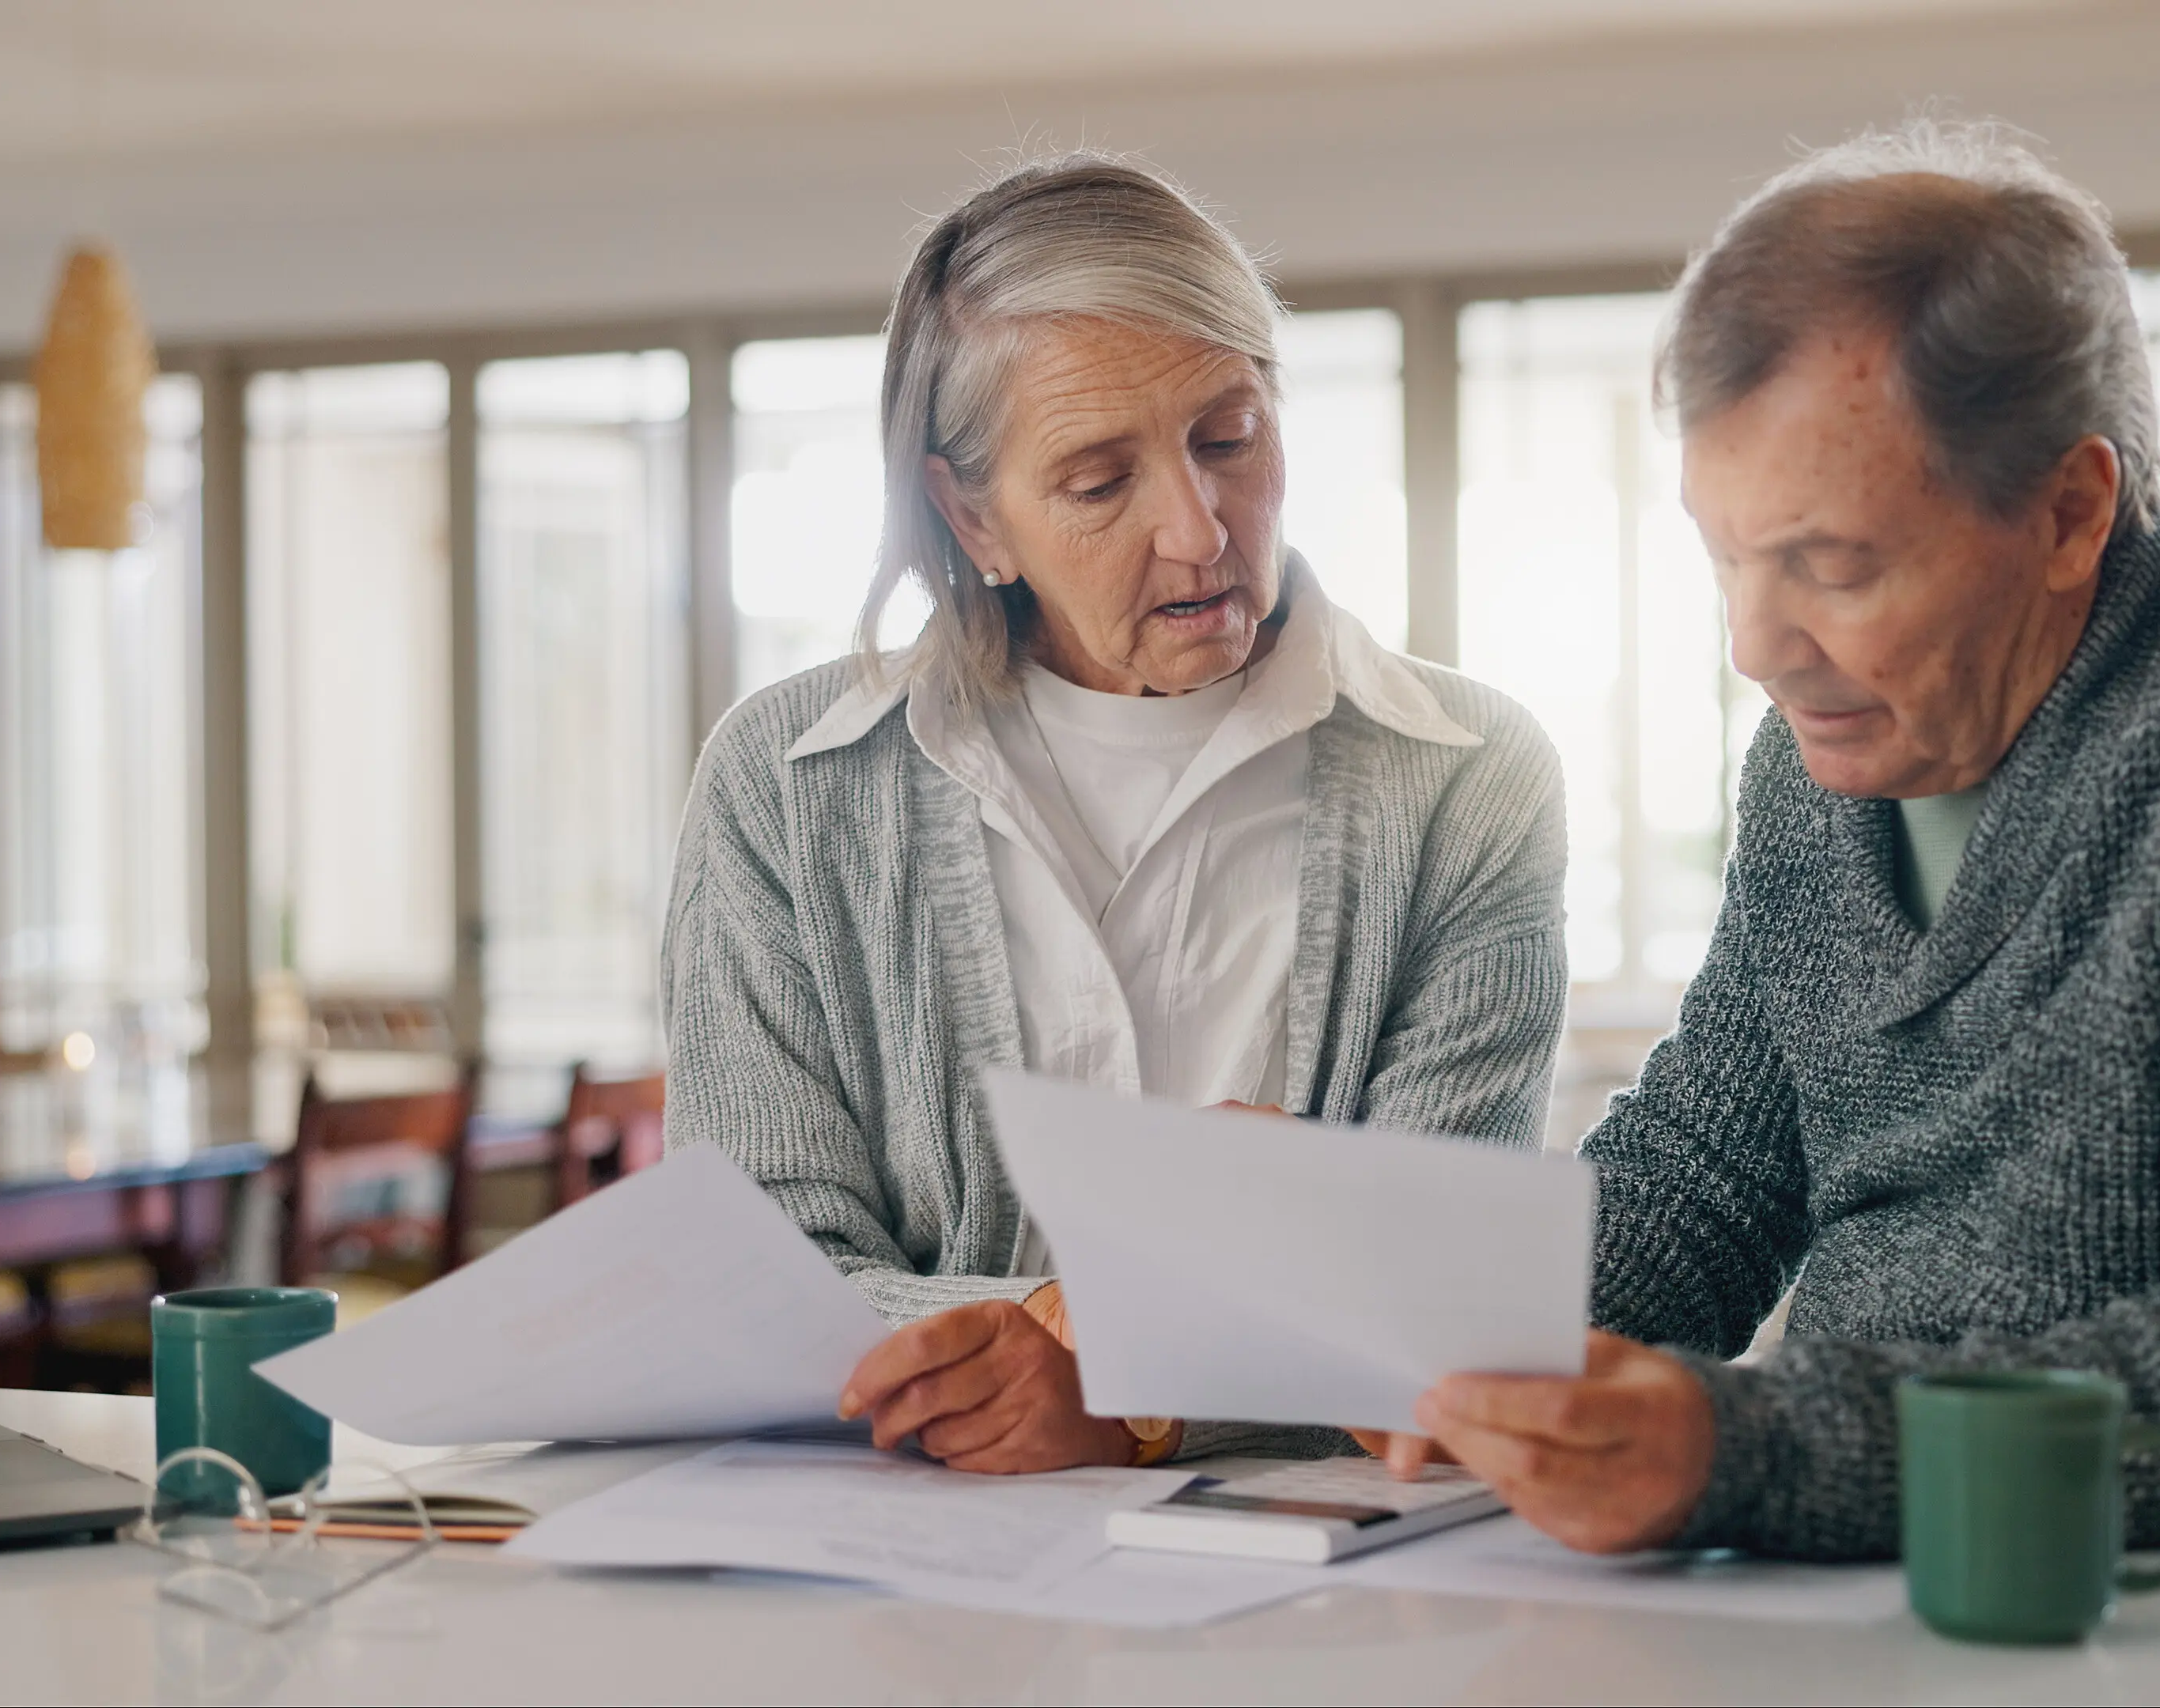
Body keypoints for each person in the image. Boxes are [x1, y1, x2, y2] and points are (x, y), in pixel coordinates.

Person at [1402, 121, 2160, 1559]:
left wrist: (1746, 1450)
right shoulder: (1822, 764)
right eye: (1726, 557)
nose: (1756, 647)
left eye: (1830, 565)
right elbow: (1707, 1182)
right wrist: (1429, 1341)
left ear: (2070, 512)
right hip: (1898, 1599)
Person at [664, 153, 1566, 1475]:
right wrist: (1063, 1336)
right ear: (971, 515)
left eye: (1230, 439)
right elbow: (763, 1273)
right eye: (1099, 483)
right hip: (902, 1541)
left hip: (1322, 1556)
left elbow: (1438, 1297)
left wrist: (1135, 1400)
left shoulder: (1470, 778)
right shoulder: (785, 785)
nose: (1200, 531)